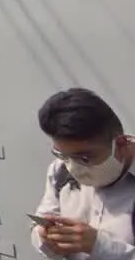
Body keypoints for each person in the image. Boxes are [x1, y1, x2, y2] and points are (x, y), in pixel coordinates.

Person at [30, 88, 135, 260]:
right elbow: (40, 222)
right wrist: (44, 236)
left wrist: (98, 245)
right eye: (63, 155)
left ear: (121, 144)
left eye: (85, 158)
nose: (74, 167)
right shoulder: (59, 171)